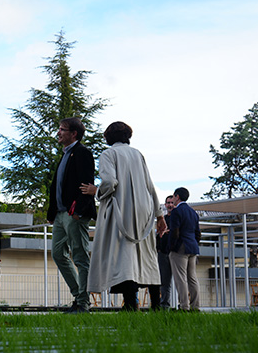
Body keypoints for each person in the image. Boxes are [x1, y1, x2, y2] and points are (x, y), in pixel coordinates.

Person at [82, 121, 167, 311]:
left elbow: (110, 181)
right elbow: (150, 185)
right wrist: (160, 215)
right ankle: (157, 304)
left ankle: (130, 303)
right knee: (147, 254)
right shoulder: (138, 154)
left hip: (122, 208)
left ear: (108, 137)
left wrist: (96, 191)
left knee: (124, 255)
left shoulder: (109, 154)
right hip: (145, 208)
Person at [47, 117, 96, 314]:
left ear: (74, 133)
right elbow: (57, 186)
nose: (58, 133)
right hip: (60, 214)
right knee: (58, 253)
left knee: (80, 257)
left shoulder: (83, 153)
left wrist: (78, 212)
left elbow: (86, 186)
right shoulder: (66, 154)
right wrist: (52, 213)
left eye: (62, 129)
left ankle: (83, 303)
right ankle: (78, 295)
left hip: (73, 214)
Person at [168, 187, 202, 312]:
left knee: (180, 278)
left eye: (173, 197)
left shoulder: (176, 212)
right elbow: (198, 233)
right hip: (192, 247)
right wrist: (194, 243)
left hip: (180, 248)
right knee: (192, 278)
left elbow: (174, 232)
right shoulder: (193, 212)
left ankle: (184, 306)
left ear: (177, 197)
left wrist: (171, 247)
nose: (172, 199)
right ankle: (195, 306)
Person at [150, 195, 175, 310]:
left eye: (172, 203)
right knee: (164, 282)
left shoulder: (177, 218)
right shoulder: (163, 219)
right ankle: (165, 304)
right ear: (165, 205)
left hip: (175, 253)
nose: (170, 205)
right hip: (163, 254)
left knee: (181, 281)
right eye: (168, 203)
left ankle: (184, 304)